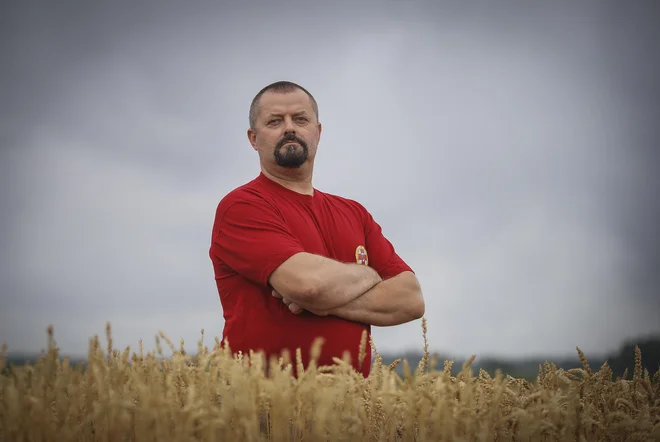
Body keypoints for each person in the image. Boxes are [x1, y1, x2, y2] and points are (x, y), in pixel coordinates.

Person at [209, 81, 424, 378]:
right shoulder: (242, 207)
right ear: (253, 138)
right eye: (274, 121)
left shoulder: (354, 213)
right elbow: (308, 285)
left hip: (350, 409)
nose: (289, 128)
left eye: (300, 119)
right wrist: (369, 276)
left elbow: (410, 300)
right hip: (263, 407)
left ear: (318, 132)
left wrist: (322, 303)